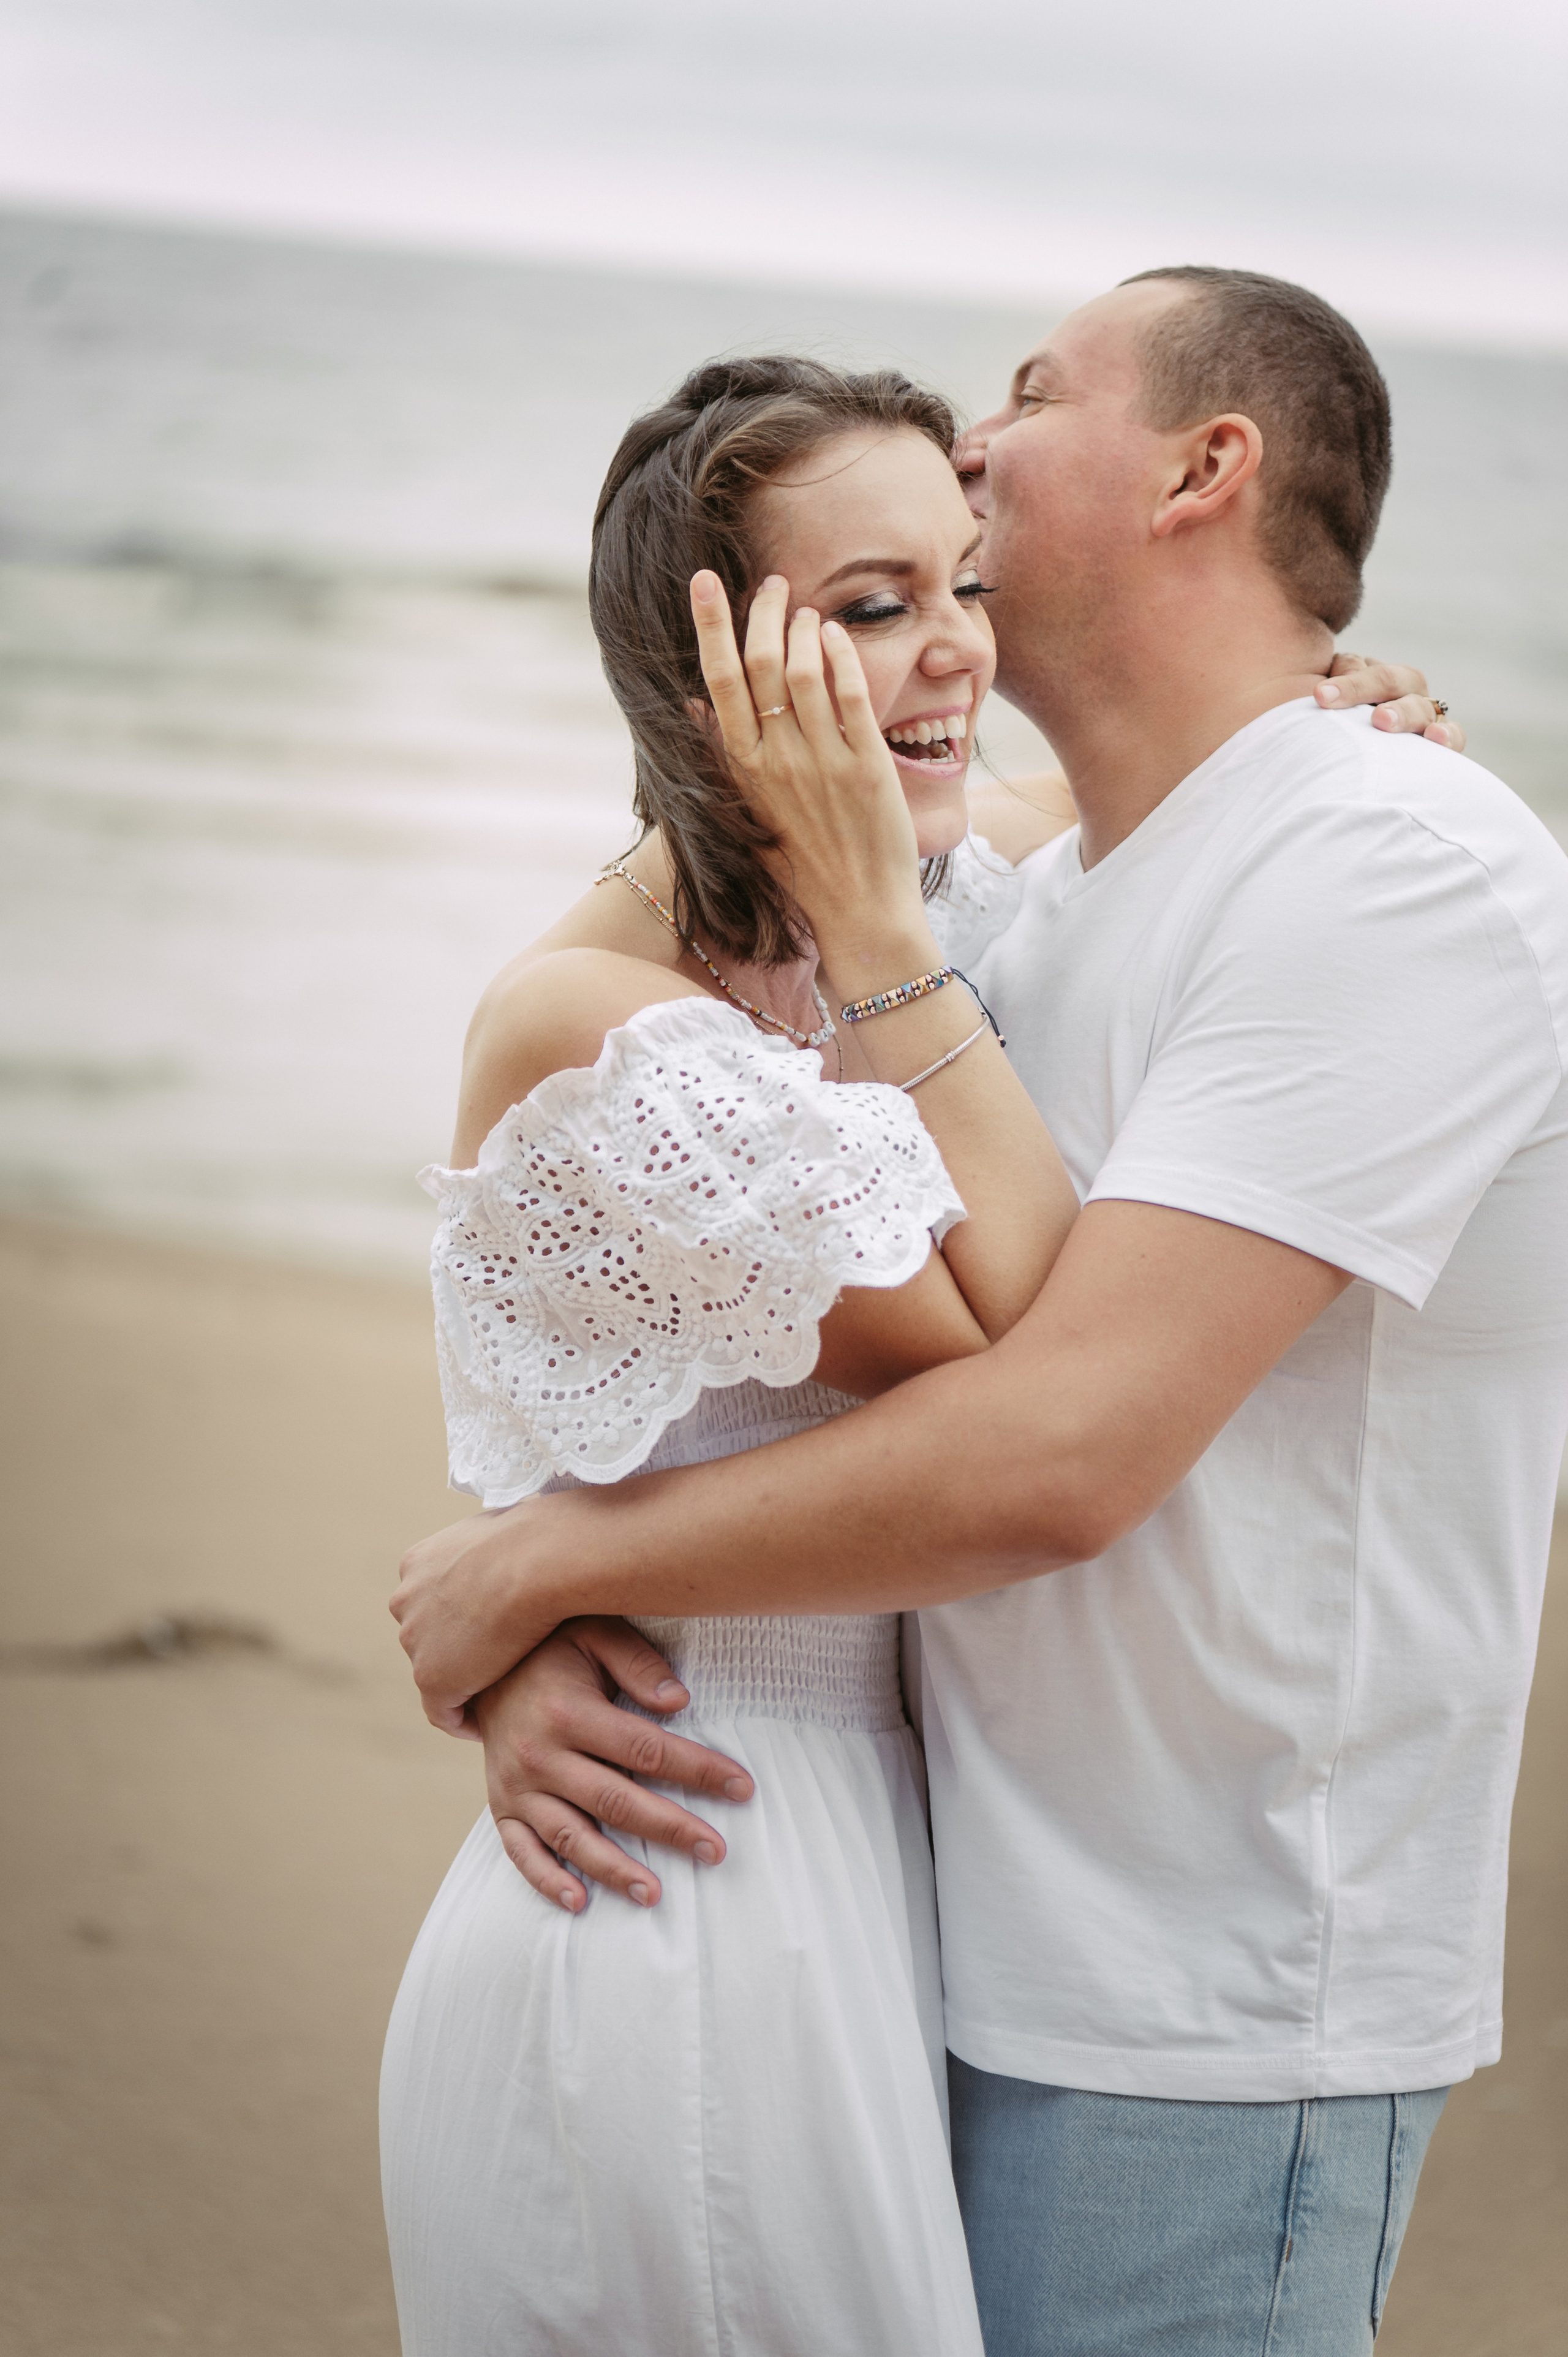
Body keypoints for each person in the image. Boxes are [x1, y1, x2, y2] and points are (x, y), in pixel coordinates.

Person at [394, 268, 1567, 2357]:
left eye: (1024, 405)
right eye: (873, 590)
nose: (978, 465)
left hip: (1204, 1980)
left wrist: (536, 1580)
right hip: (859, 1896)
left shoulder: (1322, 868)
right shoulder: (1021, 905)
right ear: (714, 663)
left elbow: (1052, 1436)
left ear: (1209, 468)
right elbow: (627, 1340)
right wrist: (532, 1624)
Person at [380, 355, 1087, 2357]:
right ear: (711, 686)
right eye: (868, 608)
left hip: (849, 1877)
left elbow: (1100, 793)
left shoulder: (877, 897)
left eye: (966, 579)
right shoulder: (600, 1029)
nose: (955, 650)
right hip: (688, 1886)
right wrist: (882, 924)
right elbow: (1019, 1341)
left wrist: (1326, 713)